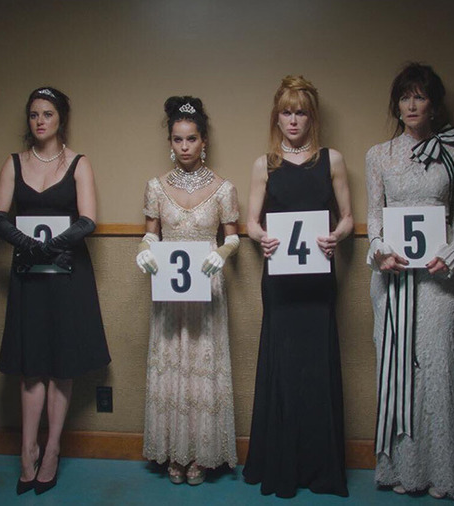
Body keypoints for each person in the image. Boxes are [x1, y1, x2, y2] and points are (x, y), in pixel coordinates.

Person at [0, 86, 110, 495]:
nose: (40, 121)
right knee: (32, 366)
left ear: (61, 119)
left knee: (60, 365)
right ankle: (28, 450)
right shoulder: (13, 163)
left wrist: (52, 246)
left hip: (67, 274)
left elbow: (88, 220)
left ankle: (53, 449)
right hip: (29, 274)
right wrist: (29, 246)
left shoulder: (78, 162)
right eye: (34, 114)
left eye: (48, 114)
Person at [367, 63, 454, 499]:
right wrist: (378, 248)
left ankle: (442, 473)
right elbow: (374, 215)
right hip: (392, 279)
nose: (411, 105)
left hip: (438, 281)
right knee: (397, 370)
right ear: (396, 105)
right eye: (404, 97)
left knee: (437, 369)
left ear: (434, 105)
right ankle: (403, 471)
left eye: (420, 96)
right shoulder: (378, 155)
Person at [242, 76, 352, 498]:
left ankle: (320, 467)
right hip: (281, 283)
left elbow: (348, 217)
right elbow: (251, 222)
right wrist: (261, 237)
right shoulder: (264, 164)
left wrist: (337, 236)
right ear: (276, 117)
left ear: (312, 117)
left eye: (300, 112)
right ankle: (282, 463)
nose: (293, 120)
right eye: (286, 112)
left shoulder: (332, 160)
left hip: (318, 282)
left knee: (316, 370)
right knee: (284, 369)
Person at [136, 96, 239, 486]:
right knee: (173, 365)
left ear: (203, 141)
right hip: (169, 288)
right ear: (170, 142)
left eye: (191, 139)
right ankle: (173, 452)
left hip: (207, 286)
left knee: (201, 367)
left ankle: (200, 454)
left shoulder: (224, 188)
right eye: (178, 139)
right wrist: (144, 250)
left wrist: (223, 253)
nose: (184, 146)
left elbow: (233, 237)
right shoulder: (155, 186)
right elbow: (151, 233)